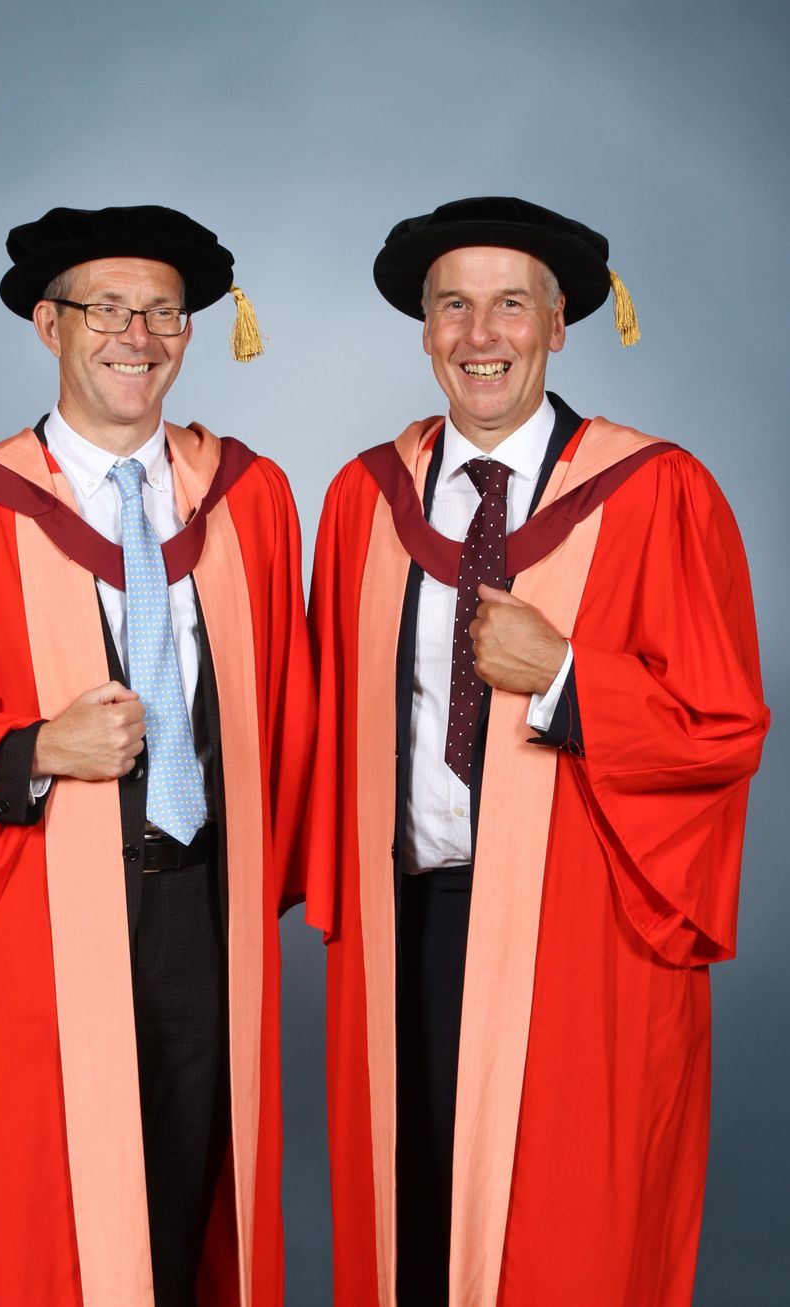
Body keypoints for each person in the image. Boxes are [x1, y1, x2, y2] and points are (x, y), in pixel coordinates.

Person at [0, 204, 314, 1307]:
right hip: (38, 914)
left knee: (192, 1205)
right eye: (106, 309)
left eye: (162, 313)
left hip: (209, 911)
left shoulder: (248, 500)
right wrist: (34, 746)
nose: (136, 337)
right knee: (48, 1225)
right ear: (49, 325)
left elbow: (299, 703)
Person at [305, 196, 769, 1307]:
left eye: (511, 304)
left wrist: (563, 675)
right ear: (424, 329)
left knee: (563, 1246)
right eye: (453, 306)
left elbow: (718, 726)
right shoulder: (364, 501)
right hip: (407, 925)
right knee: (415, 1234)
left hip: (584, 935)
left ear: (559, 325)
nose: (481, 335)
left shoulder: (657, 491)